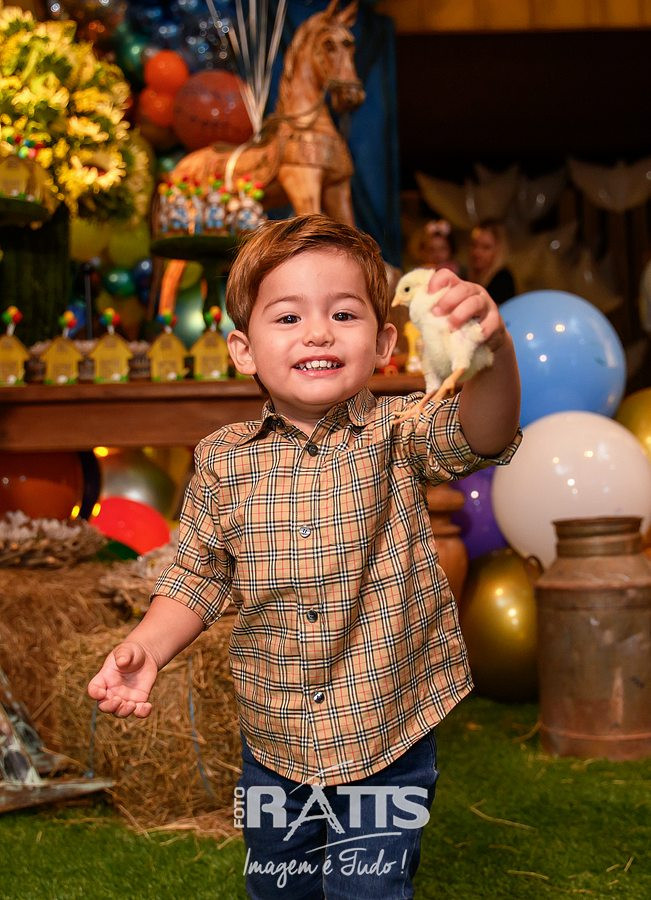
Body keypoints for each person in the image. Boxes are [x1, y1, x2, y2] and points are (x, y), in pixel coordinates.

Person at [87, 214, 521, 898]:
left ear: (383, 343)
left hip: (385, 730)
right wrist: (147, 645)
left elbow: (484, 432)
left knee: (366, 888)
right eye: (288, 317)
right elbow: (197, 576)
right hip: (275, 738)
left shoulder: (399, 432)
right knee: (279, 885)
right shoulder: (223, 461)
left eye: (343, 314)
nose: (318, 333)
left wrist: (491, 350)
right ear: (243, 349)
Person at [467, 220, 516, 305]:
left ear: (499, 251)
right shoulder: (471, 276)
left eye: (486, 247)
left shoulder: (503, 279)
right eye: (474, 245)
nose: (477, 252)